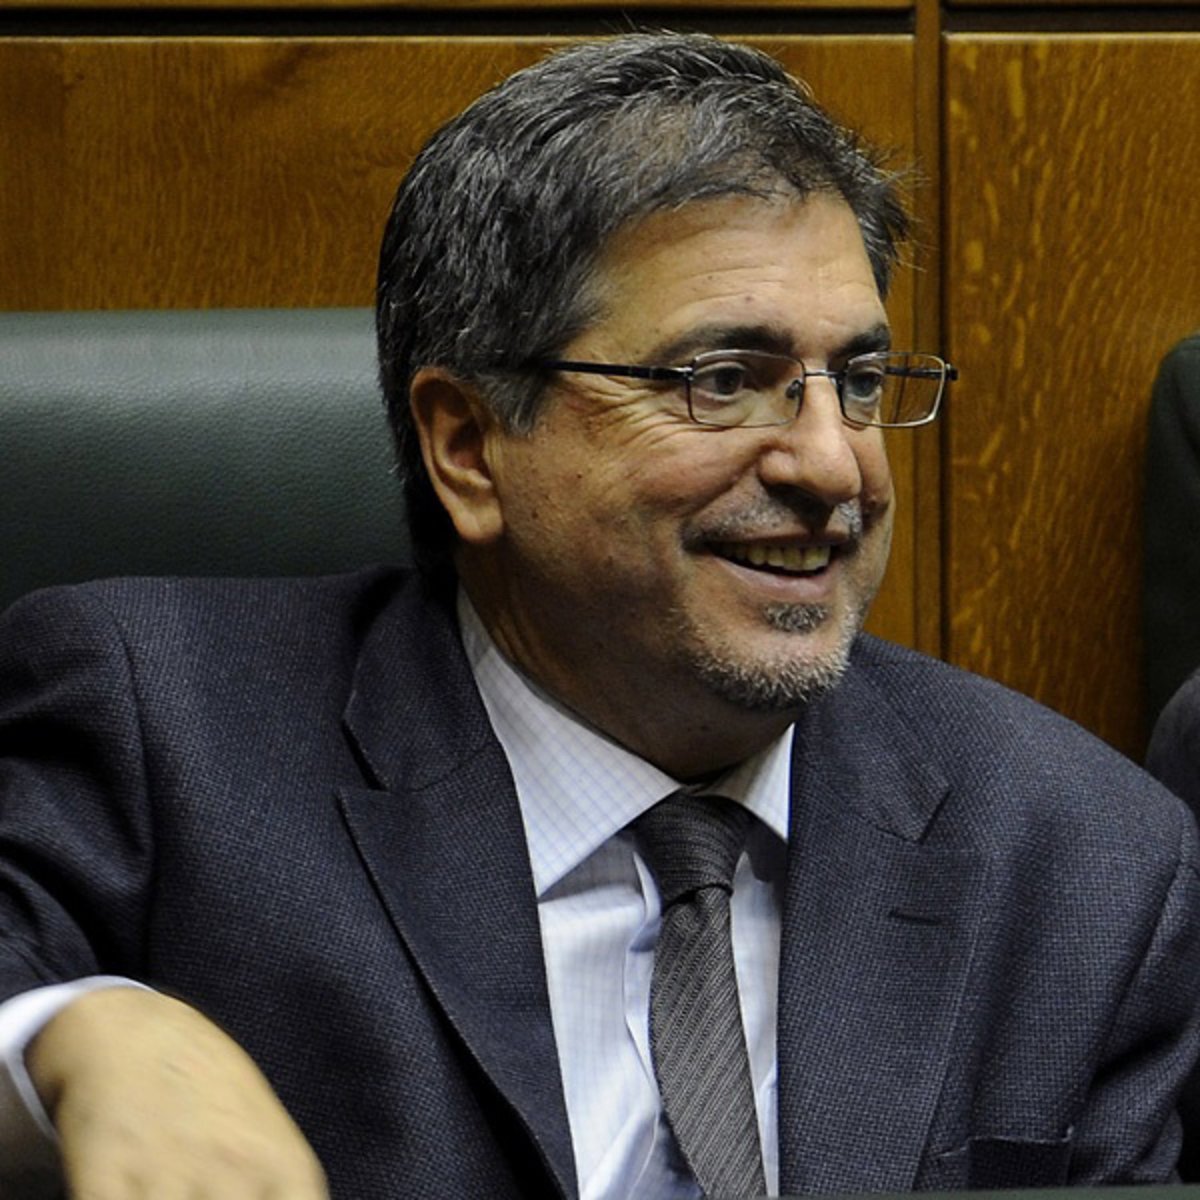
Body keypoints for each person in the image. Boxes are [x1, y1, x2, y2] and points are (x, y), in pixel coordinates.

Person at [1, 31, 1199, 1200]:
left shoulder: (1085, 860)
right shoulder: (163, 732)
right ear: (469, 447)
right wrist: (75, 1029)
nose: (836, 465)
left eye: (862, 382)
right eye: (723, 381)